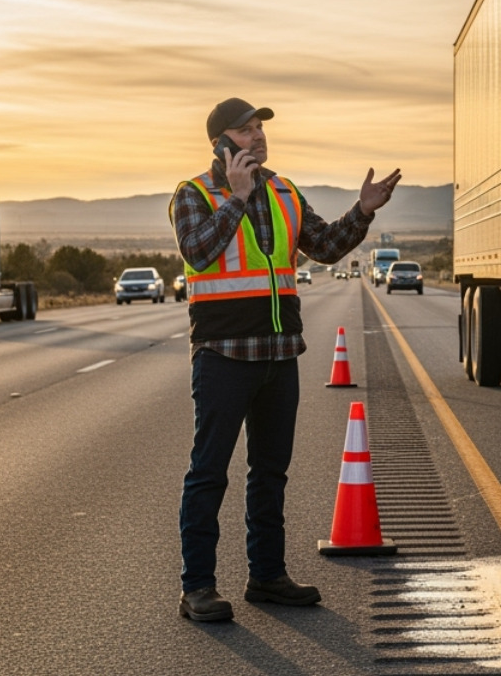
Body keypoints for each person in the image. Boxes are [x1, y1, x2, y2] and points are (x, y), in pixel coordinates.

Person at [171, 96, 400, 622]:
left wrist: (363, 211)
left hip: (278, 354)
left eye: (260, 128)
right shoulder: (193, 194)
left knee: (270, 473)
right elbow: (198, 251)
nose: (258, 136)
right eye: (246, 130)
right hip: (223, 356)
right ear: (221, 142)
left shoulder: (285, 191)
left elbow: (323, 245)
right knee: (209, 473)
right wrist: (237, 196)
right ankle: (197, 588)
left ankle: (267, 576)